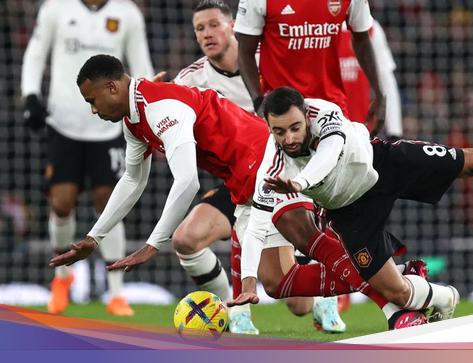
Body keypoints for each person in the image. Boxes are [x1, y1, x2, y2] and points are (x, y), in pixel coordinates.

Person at [49, 55, 425, 333]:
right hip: (240, 174)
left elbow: (187, 184)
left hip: (263, 161)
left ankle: (399, 301)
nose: (93, 110)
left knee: (313, 244)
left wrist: (152, 244)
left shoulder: (160, 108)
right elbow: (132, 180)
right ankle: (399, 280)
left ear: (112, 87)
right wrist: (94, 237)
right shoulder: (136, 119)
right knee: (282, 286)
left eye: (93, 100)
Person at [239, 86, 473, 328]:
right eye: (278, 131)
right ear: (268, 127)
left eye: (293, 128)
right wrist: (249, 284)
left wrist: (302, 182)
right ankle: (443, 297)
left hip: (384, 163)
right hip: (351, 213)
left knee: (471, 162)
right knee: (398, 293)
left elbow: (331, 150)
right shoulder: (272, 167)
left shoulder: (323, 114)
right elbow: (256, 226)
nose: (288, 138)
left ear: (304, 116)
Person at [171, 0, 343, 334]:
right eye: (199, 29)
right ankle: (227, 309)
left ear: (233, 25)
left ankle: (326, 293)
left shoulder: (269, 59)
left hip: (285, 181)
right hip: (238, 182)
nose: (207, 34)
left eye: (214, 25)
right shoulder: (190, 80)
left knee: (297, 305)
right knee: (186, 239)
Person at [21, 0, 156, 316]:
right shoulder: (56, 8)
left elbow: (143, 67)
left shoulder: (127, 14)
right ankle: (61, 278)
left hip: (109, 127)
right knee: (60, 203)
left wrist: (151, 107)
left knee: (109, 202)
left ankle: (117, 292)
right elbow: (36, 53)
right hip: (63, 123)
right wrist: (30, 94)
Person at [234, 0, 386, 129]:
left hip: (332, 107)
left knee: (339, 162)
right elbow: (244, 53)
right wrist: (258, 101)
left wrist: (379, 95)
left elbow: (362, 38)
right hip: (281, 110)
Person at [338, 20, 402, 137]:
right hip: (327, 128)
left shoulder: (371, 27)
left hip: (362, 131)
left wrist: (394, 131)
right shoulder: (320, 26)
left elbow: (386, 81)